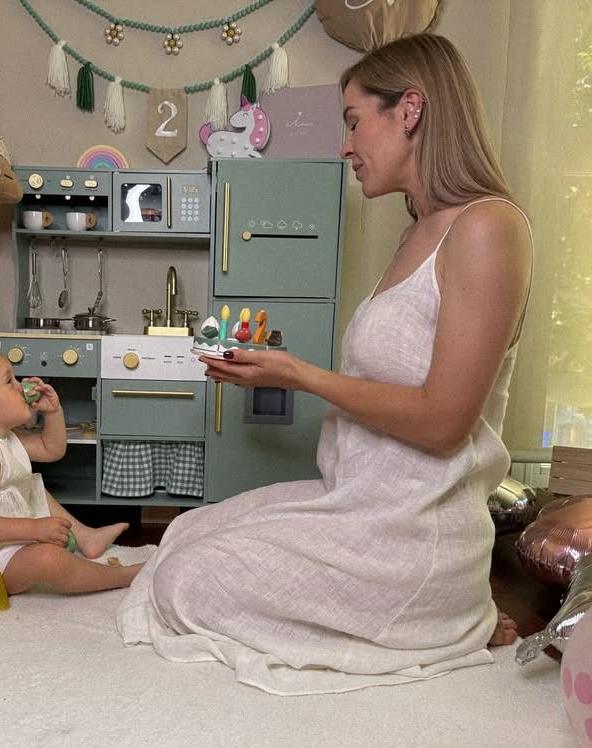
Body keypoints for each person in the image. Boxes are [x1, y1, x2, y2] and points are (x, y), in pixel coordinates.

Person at [117, 33, 531, 695]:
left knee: (186, 581)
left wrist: (297, 374)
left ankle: (443, 618)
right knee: (187, 533)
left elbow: (445, 422)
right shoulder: (418, 232)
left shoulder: (487, 229)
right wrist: (279, 369)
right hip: (358, 506)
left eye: (351, 122)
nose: (344, 146)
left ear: (411, 110)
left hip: (408, 534)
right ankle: (435, 617)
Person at [0, 346, 142, 595]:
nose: (21, 386)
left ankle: (86, 537)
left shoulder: (2, 438)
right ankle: (122, 576)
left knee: (31, 485)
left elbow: (50, 449)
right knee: (48, 559)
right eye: (9, 381)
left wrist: (53, 412)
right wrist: (35, 529)